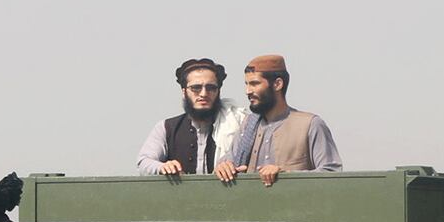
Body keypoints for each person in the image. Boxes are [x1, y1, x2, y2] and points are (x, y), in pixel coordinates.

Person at [216, 53, 342, 186]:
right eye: (247, 84)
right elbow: (228, 161)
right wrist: (223, 167)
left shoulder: (310, 125)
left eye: (254, 84)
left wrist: (285, 175)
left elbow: (332, 172)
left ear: (277, 84)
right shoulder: (248, 125)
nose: (248, 91)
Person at [135, 57, 247, 176]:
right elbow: (143, 162)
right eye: (196, 88)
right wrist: (163, 167)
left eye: (211, 88)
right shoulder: (167, 128)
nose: (203, 94)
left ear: (218, 91)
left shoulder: (238, 124)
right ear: (184, 92)